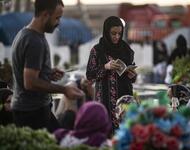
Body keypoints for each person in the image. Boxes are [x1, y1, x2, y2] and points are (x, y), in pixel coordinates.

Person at [11, 0, 84, 133]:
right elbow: (30, 82)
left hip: (31, 109)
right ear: (45, 15)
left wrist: (47, 72)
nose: (59, 22)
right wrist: (65, 90)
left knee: (59, 137)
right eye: (57, 17)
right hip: (32, 112)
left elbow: (26, 71)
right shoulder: (34, 41)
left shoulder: (25, 34)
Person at [86, 16, 137, 132]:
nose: (117, 37)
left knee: (124, 133)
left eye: (119, 33)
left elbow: (132, 77)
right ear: (106, 31)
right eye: (113, 33)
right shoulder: (97, 50)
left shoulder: (126, 50)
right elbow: (89, 75)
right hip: (105, 100)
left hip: (124, 100)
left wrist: (132, 75)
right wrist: (105, 67)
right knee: (105, 133)